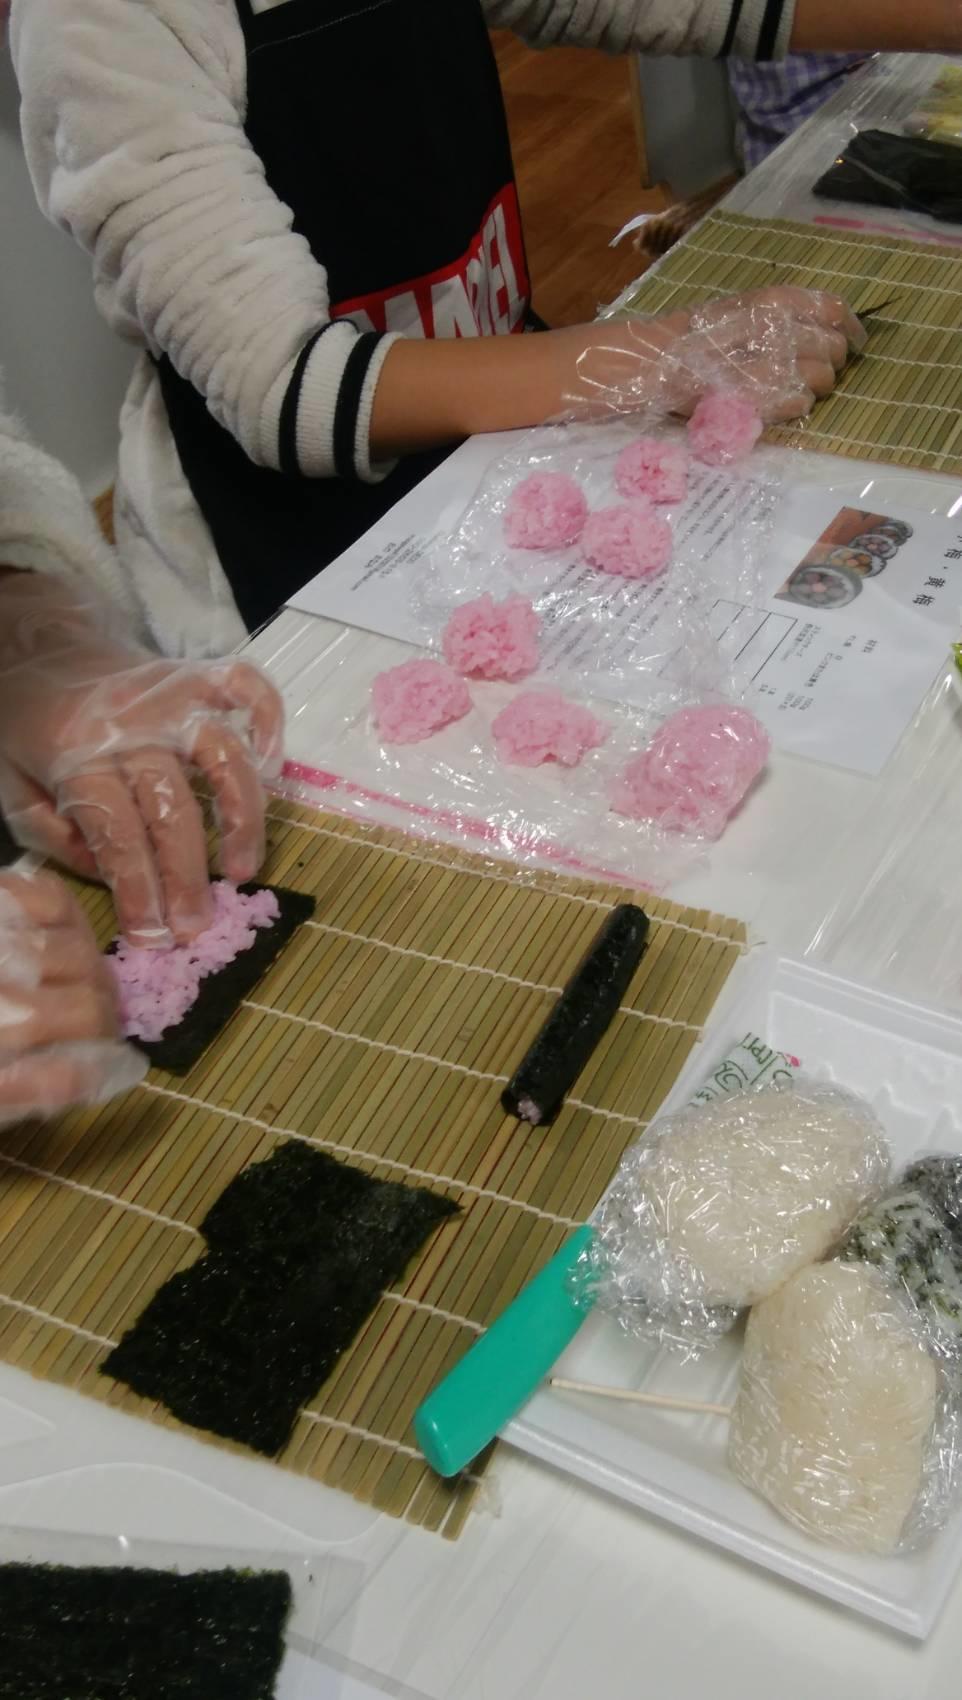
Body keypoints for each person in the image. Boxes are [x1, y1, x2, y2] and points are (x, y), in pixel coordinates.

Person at [9, 0, 890, 661]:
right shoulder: (101, 18)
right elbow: (288, 388)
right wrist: (670, 354)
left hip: (495, 448)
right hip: (276, 545)